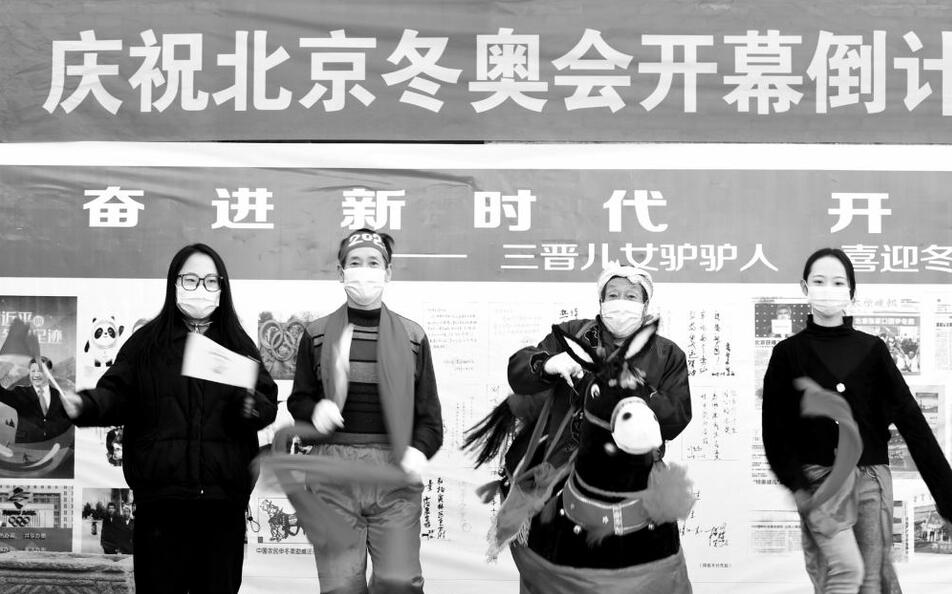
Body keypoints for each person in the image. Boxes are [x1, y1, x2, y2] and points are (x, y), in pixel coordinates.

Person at [59, 243, 278, 594]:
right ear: (174, 283)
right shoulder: (146, 344)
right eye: (190, 279)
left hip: (223, 503)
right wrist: (85, 405)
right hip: (160, 504)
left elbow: (266, 402)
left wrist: (250, 406)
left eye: (210, 281)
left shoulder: (238, 344)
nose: (200, 288)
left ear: (222, 287)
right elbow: (117, 395)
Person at [762, 247, 952, 594]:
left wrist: (946, 493)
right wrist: (801, 490)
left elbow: (912, 421)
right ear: (804, 287)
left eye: (838, 282)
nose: (828, 289)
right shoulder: (787, 354)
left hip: (869, 481)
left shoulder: (873, 349)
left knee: (874, 580)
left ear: (851, 291)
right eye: (819, 281)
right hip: (819, 483)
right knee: (836, 578)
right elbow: (775, 434)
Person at [287, 228, 443, 594]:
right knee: (341, 586)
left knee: (399, 582)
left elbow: (430, 419)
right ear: (340, 272)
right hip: (332, 473)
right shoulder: (317, 334)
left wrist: (419, 450)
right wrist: (315, 411)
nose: (364, 271)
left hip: (394, 473)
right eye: (355, 263)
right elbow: (298, 400)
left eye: (374, 263)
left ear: (388, 272)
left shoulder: (413, 337)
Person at [503, 263, 692, 496]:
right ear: (601, 302)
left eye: (631, 296)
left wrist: (633, 394)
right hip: (561, 467)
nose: (621, 302)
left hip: (634, 475)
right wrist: (548, 364)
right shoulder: (573, 334)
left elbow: (678, 415)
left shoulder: (667, 353)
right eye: (613, 295)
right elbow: (518, 370)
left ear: (645, 306)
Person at [0, 356, 73, 444]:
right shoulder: (20, 392)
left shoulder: (58, 395)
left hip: (52, 445)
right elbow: (2, 394)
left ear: (49, 372)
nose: (36, 375)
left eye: (40, 371)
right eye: (33, 371)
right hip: (26, 445)